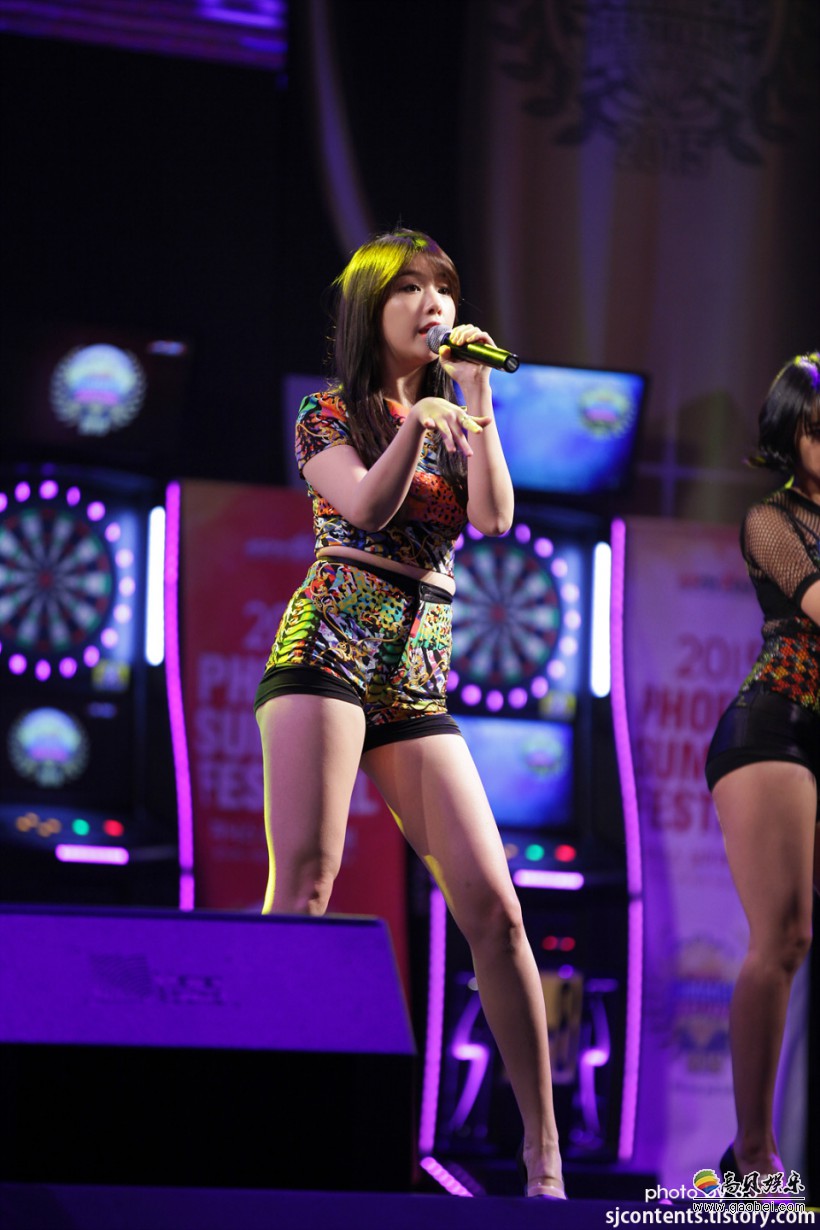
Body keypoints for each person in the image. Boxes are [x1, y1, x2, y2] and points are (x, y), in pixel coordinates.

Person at [254, 227, 565, 1199]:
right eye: (411, 289)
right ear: (371, 309)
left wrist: (473, 400)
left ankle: (544, 1161)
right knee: (307, 882)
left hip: (416, 676)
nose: (433, 303)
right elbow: (367, 509)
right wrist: (418, 424)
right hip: (328, 648)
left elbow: (496, 519)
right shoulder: (325, 415)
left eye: (443, 288)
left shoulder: (454, 409)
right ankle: (252, 1116)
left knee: (496, 911)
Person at [704, 351, 820, 1185]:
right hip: (776, 727)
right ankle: (752, 1151)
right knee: (782, 936)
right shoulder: (772, 520)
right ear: (791, 434)